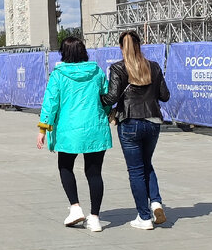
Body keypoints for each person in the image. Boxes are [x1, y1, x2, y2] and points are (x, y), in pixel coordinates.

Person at [37, 37, 112, 233]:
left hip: (68, 129)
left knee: (65, 166)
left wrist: (43, 128)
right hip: (94, 127)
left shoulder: (58, 75)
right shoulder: (96, 71)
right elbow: (106, 96)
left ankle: (75, 207)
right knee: (94, 173)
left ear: (64, 53)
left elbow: (51, 102)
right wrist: (105, 111)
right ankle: (95, 218)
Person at [104, 30, 171, 230]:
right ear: (140, 45)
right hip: (152, 121)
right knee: (146, 163)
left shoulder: (118, 68)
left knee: (135, 170)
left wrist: (98, 100)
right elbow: (165, 96)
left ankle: (144, 217)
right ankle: (156, 202)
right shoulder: (154, 67)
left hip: (129, 121)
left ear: (120, 47)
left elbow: (112, 97)